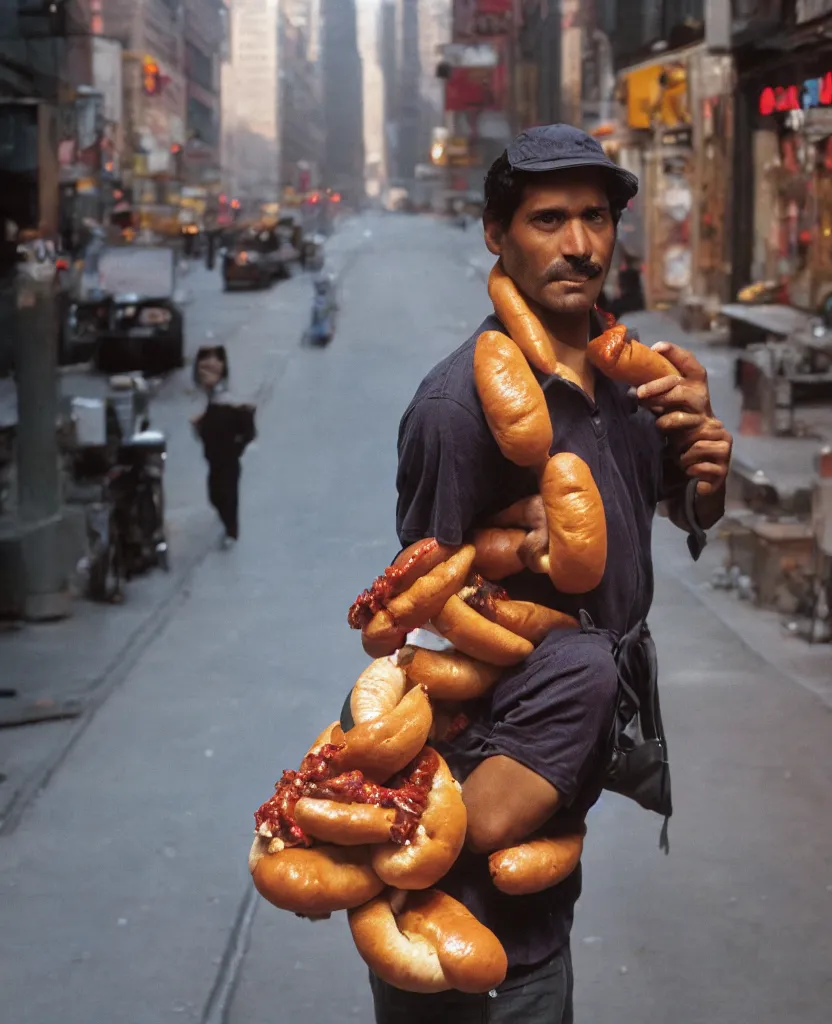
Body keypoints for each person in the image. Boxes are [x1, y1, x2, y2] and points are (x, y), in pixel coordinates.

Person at [371, 125, 734, 1022]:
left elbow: (671, 510)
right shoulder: (461, 407)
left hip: (565, 753)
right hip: (491, 765)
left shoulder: (628, 380)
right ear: (496, 232)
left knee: (544, 930)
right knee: (509, 969)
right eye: (548, 219)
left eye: (596, 218)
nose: (580, 244)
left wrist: (704, 483)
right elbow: (422, 619)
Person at [191, 345, 256, 548]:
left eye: (216, 359)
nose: (210, 364)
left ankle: (231, 531)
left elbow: (247, 427)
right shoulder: (206, 395)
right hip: (213, 457)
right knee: (215, 494)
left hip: (228, 457)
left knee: (226, 494)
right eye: (205, 359)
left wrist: (236, 445)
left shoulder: (229, 397)